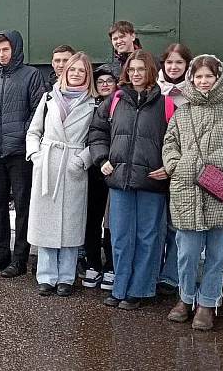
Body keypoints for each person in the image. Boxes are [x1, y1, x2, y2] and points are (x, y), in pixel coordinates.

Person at [162, 55, 223, 330]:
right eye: (199, 76)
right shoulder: (184, 111)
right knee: (187, 252)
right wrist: (177, 165)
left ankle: (207, 303)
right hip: (188, 189)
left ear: (219, 77)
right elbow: (170, 143)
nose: (204, 81)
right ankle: (185, 298)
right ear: (191, 79)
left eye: (209, 76)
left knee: (218, 254)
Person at [89, 49, 173, 310]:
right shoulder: (115, 100)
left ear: (150, 72)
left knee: (148, 237)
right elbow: (97, 131)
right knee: (121, 236)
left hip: (151, 180)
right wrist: (102, 159)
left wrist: (169, 166)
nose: (136, 74)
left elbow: (177, 141)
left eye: (141, 69)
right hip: (120, 179)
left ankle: (140, 289)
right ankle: (120, 287)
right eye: (132, 69)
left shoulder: (166, 103)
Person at [26, 52, 97, 297]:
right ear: (64, 72)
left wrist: (82, 160)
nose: (76, 74)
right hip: (48, 164)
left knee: (71, 224)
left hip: (73, 167)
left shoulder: (93, 104)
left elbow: (96, 138)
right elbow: (33, 131)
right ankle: (46, 276)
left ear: (88, 76)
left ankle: (66, 277)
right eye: (72, 69)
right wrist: (35, 156)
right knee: (46, 223)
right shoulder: (48, 98)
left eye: (82, 71)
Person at [0, 29, 47, 278]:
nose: (2, 54)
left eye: (6, 49)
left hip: (18, 153)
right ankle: (1, 253)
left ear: (15, 49)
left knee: (22, 207)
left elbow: (37, 111)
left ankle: (19, 259)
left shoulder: (31, 75)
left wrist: (22, 135)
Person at [155, 43, 193, 297]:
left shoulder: (194, 93)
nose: (174, 67)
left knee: (176, 224)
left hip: (181, 168)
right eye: (169, 63)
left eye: (179, 63)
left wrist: (174, 165)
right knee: (156, 225)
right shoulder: (154, 90)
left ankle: (171, 275)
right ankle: (153, 272)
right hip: (153, 167)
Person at [80, 64, 119, 291]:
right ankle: (93, 263)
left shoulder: (122, 104)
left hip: (116, 167)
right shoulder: (89, 105)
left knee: (112, 220)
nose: (104, 84)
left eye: (109, 80)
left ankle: (112, 265)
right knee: (92, 218)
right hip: (93, 166)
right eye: (100, 81)